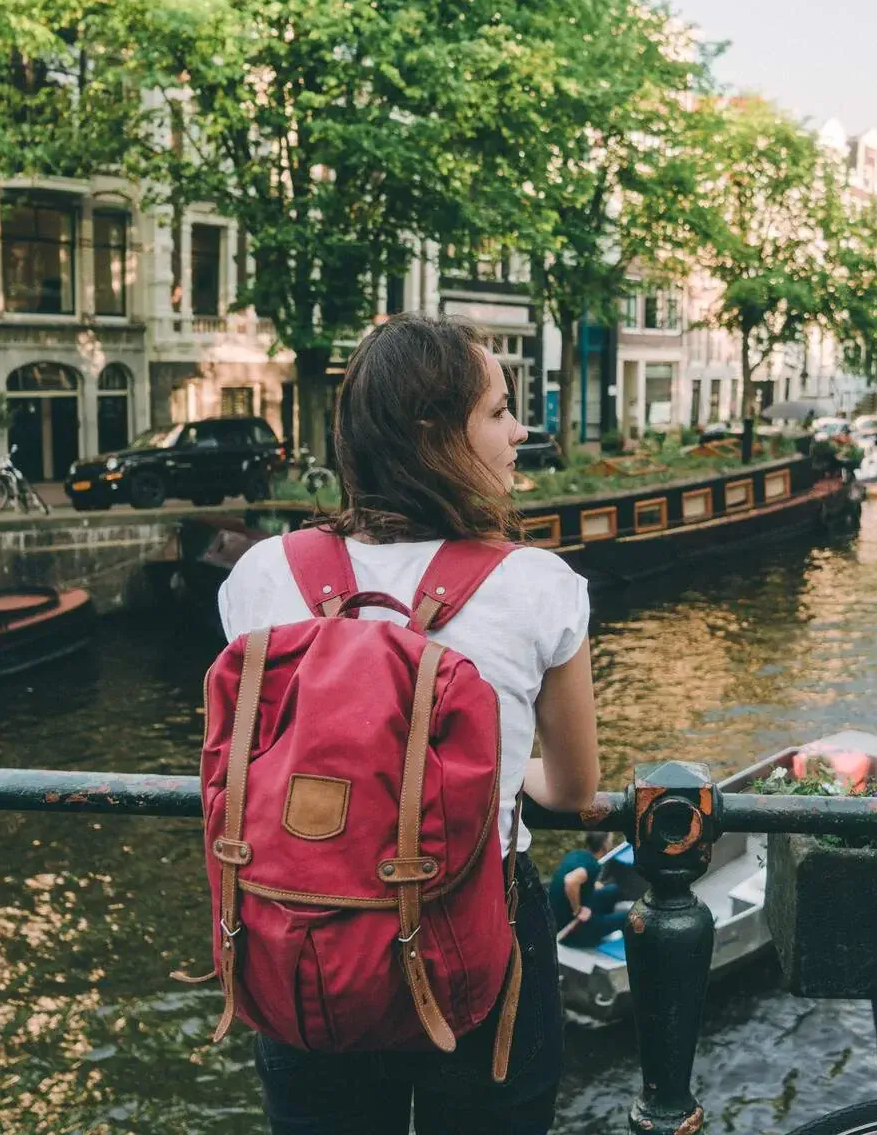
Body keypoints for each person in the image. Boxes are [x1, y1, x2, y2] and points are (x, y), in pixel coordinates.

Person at [218, 313, 599, 1135]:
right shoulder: (540, 585)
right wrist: (511, 773)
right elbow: (573, 787)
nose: (519, 430)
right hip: (476, 940)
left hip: (300, 933)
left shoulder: (259, 575)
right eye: (499, 412)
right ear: (437, 434)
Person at [548, 832, 626, 947]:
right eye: (610, 840)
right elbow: (570, 881)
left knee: (612, 891)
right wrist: (577, 910)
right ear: (605, 844)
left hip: (557, 918)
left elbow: (578, 879)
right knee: (627, 917)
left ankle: (599, 924)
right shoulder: (592, 866)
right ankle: (594, 933)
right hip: (571, 931)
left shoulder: (576, 854)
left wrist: (592, 885)